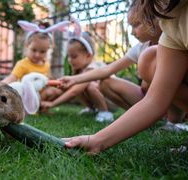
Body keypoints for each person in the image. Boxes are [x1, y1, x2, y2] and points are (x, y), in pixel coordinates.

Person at [61, 0, 188, 154]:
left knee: (149, 58)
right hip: (158, 101)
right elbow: (155, 100)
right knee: (145, 62)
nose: (133, 31)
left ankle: (174, 120)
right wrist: (97, 141)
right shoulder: (172, 27)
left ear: (153, 21)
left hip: (171, 105)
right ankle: (160, 121)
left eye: (136, 24)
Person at [41, 31, 114, 122]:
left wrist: (52, 104)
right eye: (69, 56)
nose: (70, 60)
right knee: (78, 85)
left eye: (74, 57)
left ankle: (104, 112)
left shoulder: (92, 68)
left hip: (110, 101)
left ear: (88, 55)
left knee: (90, 86)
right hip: (100, 99)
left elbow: (74, 92)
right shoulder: (81, 69)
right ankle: (92, 109)